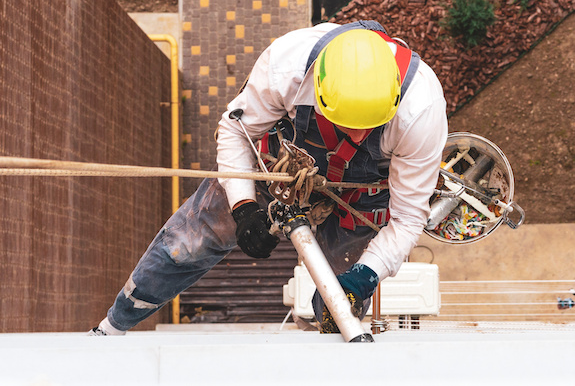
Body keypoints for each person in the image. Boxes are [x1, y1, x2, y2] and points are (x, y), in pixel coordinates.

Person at [89, 20, 448, 335]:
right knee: (191, 241)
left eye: (368, 124)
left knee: (338, 309)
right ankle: (114, 325)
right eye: (347, 123)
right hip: (283, 163)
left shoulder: (420, 110)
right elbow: (234, 131)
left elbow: (407, 218)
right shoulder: (287, 67)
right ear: (320, 92)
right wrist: (244, 207)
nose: (357, 136)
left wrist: (366, 275)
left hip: (361, 196)